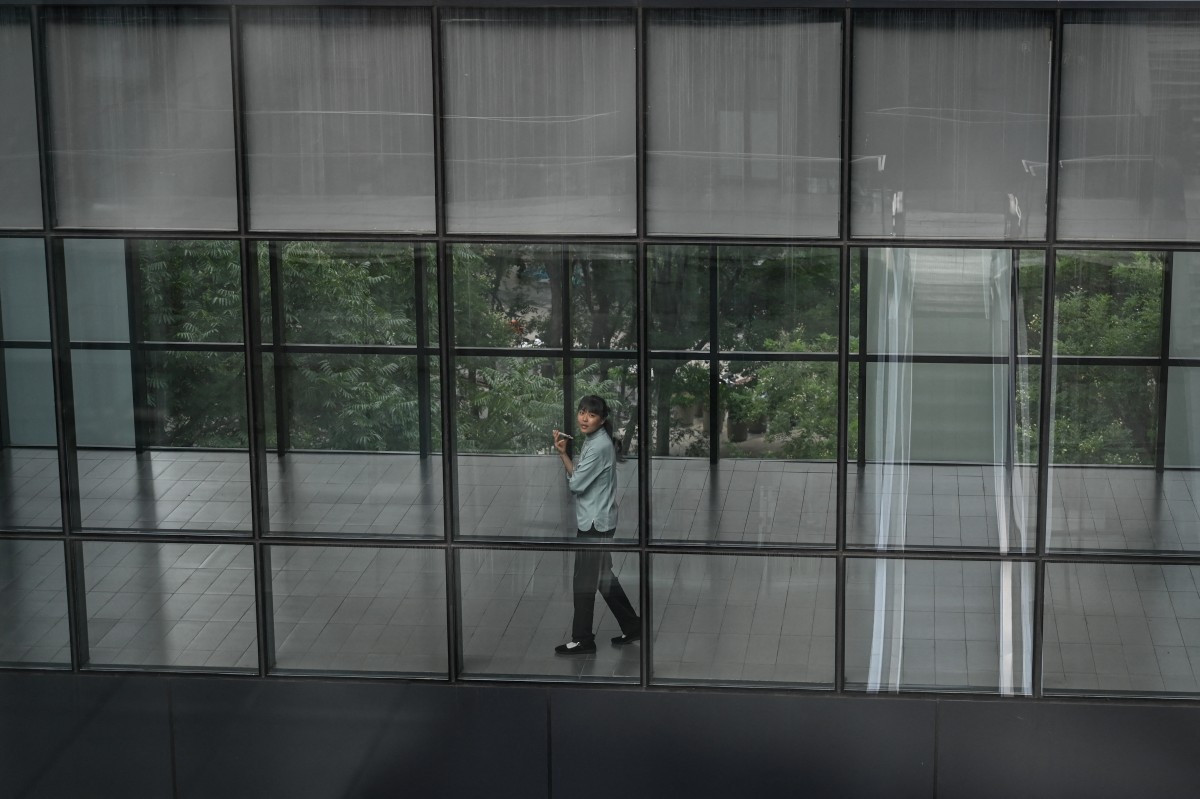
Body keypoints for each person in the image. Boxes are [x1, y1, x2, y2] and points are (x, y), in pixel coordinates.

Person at [552, 395, 641, 655]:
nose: (583, 418)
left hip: (594, 524)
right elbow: (579, 478)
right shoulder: (596, 442)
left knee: (583, 582)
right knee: (603, 578)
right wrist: (563, 454)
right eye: (581, 412)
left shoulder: (598, 446)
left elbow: (576, 485)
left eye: (591, 415)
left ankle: (583, 639)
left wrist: (565, 460)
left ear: (602, 420)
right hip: (600, 520)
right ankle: (632, 625)